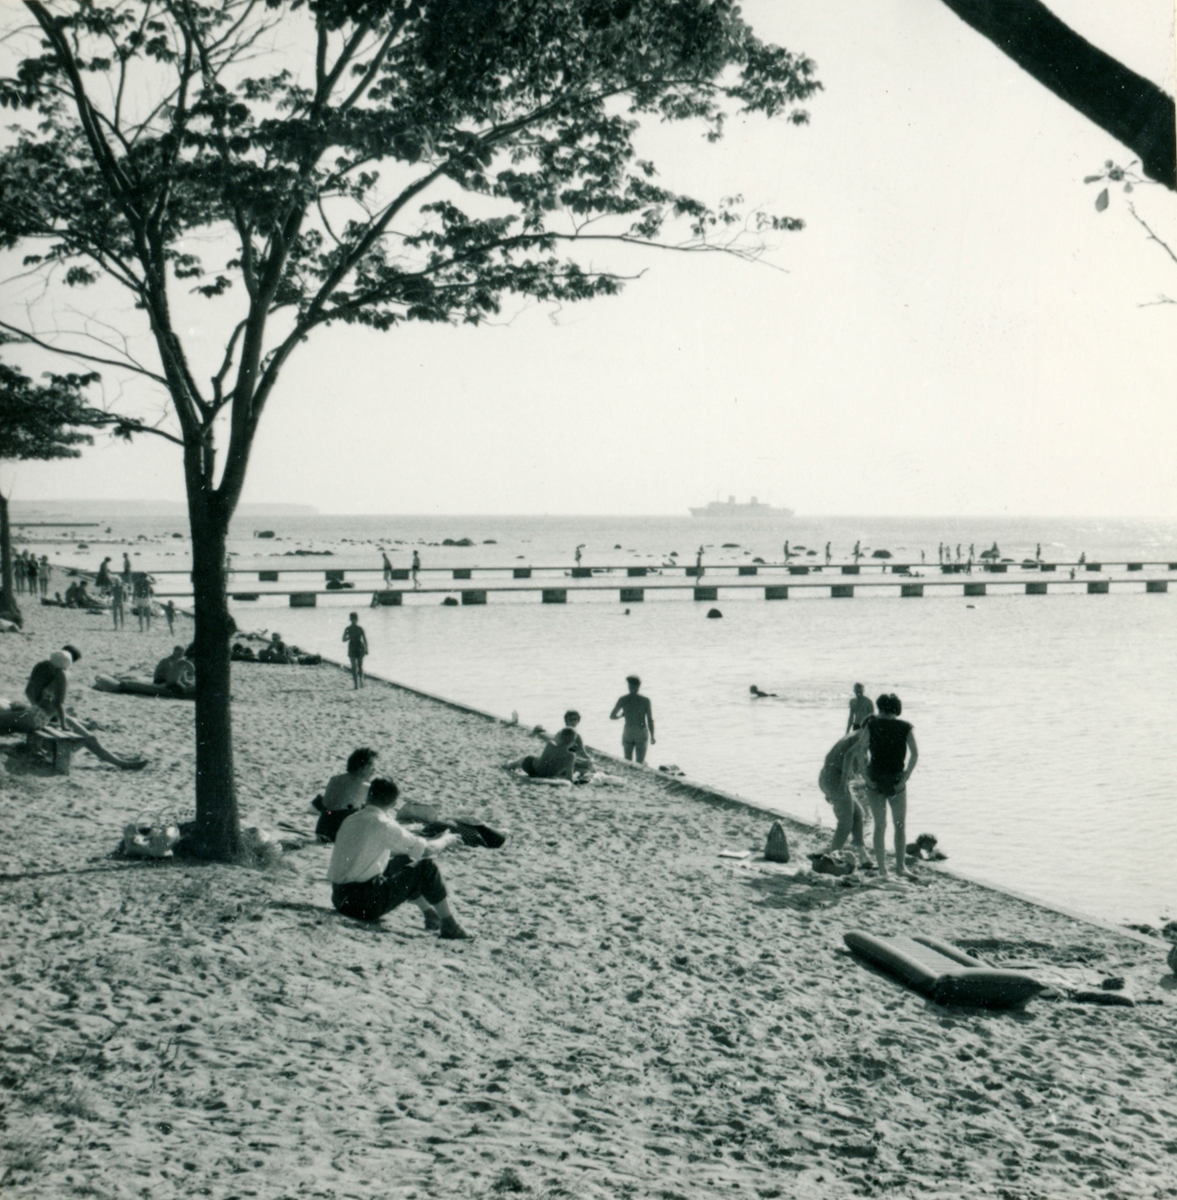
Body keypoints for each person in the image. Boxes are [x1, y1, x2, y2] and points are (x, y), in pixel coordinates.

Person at [327, 776, 469, 938]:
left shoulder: (351, 819)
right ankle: (450, 925)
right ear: (393, 804)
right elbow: (428, 851)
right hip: (364, 904)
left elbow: (390, 849)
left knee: (405, 861)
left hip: (340, 899)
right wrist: (446, 840)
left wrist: (425, 843)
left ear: (369, 796)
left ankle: (430, 914)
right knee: (426, 867)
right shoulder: (383, 824)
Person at [0, 647, 147, 769]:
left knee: (88, 737)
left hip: (36, 716)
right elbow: (57, 704)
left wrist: (63, 723)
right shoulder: (60, 675)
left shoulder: (55, 674)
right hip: (39, 716)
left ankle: (121, 762)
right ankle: (120, 761)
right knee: (89, 737)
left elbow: (56, 703)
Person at [854, 694, 919, 882]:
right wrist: (905, 777)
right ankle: (900, 867)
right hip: (896, 779)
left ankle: (883, 869)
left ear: (880, 707)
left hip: (875, 778)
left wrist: (865, 777)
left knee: (879, 825)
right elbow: (915, 754)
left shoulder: (872, 725)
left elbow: (860, 750)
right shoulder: (905, 726)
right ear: (897, 709)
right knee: (900, 825)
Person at [819, 731, 869, 865]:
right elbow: (848, 757)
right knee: (845, 822)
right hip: (835, 779)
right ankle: (833, 858)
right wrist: (841, 784)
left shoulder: (854, 736)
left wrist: (829, 787)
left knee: (858, 814)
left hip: (828, 777)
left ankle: (863, 855)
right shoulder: (862, 738)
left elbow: (829, 757)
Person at [314, 746, 378, 842]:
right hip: (340, 833)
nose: (374, 769)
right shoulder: (364, 786)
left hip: (322, 828)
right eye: (371, 765)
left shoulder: (334, 779)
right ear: (361, 766)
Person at [509, 712, 592, 780]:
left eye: (575, 719)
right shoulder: (571, 753)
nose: (573, 721)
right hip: (549, 771)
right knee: (583, 769)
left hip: (533, 767)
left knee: (520, 761)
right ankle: (510, 764)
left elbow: (545, 758)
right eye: (571, 719)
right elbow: (569, 778)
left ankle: (509, 765)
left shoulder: (552, 743)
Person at [610, 675, 655, 763]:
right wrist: (652, 736)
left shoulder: (623, 699)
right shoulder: (645, 700)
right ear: (639, 686)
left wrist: (621, 716)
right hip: (640, 731)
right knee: (639, 762)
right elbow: (650, 720)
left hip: (628, 731)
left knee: (627, 761)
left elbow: (612, 716)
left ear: (628, 686)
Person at [342, 612, 368, 689]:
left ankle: (361, 681)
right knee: (354, 667)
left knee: (359, 666)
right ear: (351, 620)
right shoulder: (349, 629)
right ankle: (356, 684)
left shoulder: (357, 629)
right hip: (353, 647)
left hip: (358, 647)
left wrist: (366, 649)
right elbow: (343, 639)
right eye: (353, 619)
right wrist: (349, 637)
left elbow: (365, 639)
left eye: (354, 619)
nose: (354, 620)